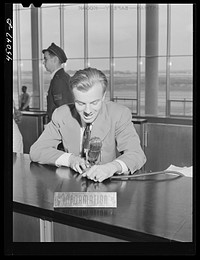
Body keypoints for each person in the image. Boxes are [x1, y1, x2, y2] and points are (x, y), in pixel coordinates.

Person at [30, 67, 146, 182]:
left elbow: (136, 154)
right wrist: (70, 160)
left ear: (103, 96)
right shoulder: (61, 114)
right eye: (80, 103)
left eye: (94, 103)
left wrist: (112, 167)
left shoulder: (119, 114)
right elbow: (36, 150)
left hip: (105, 187)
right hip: (72, 186)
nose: (88, 111)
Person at [42, 42, 74, 122]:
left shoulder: (59, 80)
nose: (43, 62)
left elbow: (63, 108)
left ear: (55, 60)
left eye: (46, 59)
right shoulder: (61, 77)